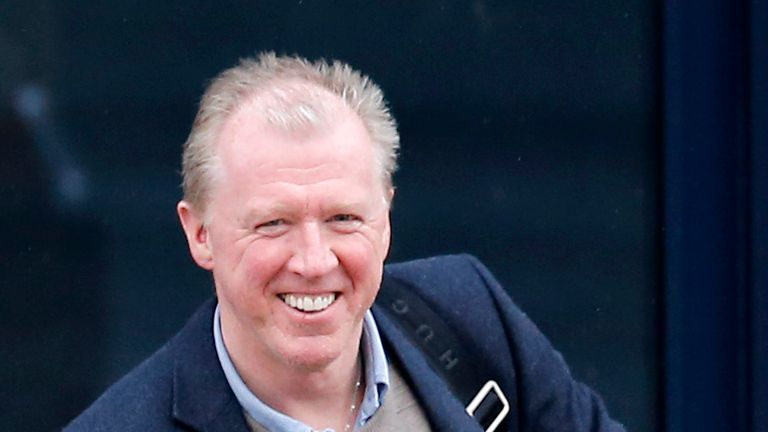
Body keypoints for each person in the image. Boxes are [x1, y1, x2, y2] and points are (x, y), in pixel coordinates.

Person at [65, 52, 625, 432]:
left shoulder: (469, 318)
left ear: (386, 218)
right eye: (272, 224)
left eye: (343, 218)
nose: (314, 262)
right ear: (200, 234)